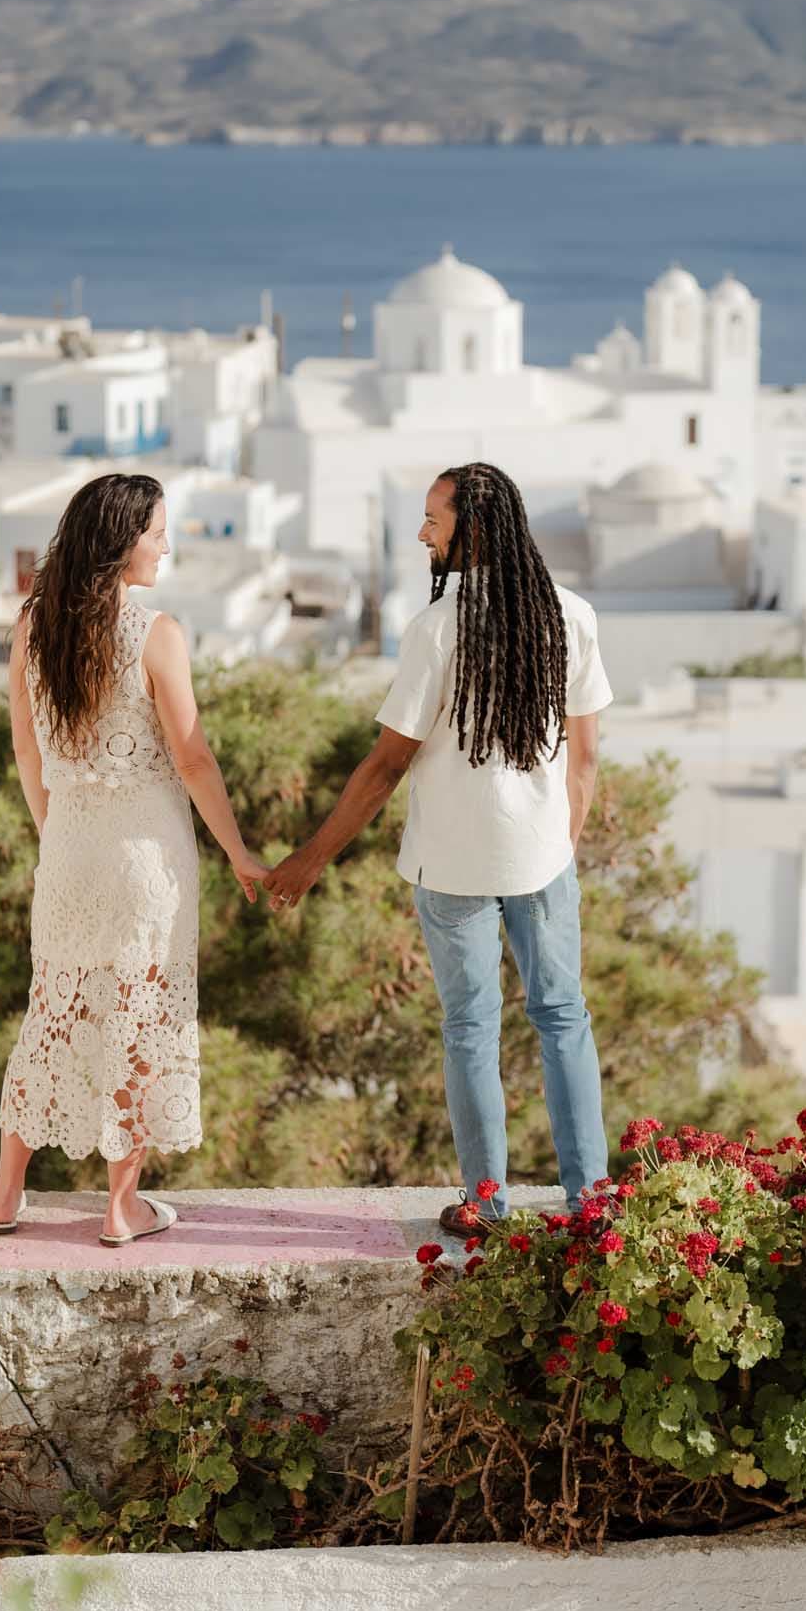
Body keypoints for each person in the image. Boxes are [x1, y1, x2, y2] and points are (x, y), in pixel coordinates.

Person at [267, 460, 612, 1232]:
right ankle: (591, 1195)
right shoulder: (573, 616)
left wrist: (310, 859)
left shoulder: (435, 631)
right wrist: (556, 847)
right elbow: (584, 761)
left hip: (453, 865)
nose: (423, 534)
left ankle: (487, 1201)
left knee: (470, 1026)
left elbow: (387, 763)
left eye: (434, 521)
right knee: (563, 1016)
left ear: (474, 531)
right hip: (543, 859)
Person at [0, 472, 269, 1244]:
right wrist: (240, 854)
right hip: (147, 858)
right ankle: (120, 1206)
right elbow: (193, 759)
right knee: (139, 1019)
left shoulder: (31, 626)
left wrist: (57, 826)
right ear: (122, 541)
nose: (166, 545)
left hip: (71, 850)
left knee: (53, 1007)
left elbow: (25, 742)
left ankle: (8, 1191)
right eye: (156, 532)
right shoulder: (157, 632)